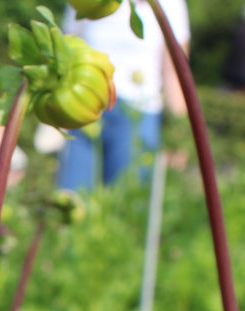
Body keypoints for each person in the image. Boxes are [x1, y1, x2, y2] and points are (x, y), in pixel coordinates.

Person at [55, 0, 189, 191]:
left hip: (139, 111)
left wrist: (179, 132)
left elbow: (174, 74)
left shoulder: (171, 3)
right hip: (84, 106)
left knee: (128, 199)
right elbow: (66, 47)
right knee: (71, 194)